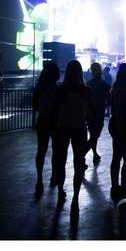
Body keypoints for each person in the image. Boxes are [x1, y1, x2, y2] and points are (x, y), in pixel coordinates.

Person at [50, 60, 96, 218]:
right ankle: (75, 197)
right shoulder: (86, 90)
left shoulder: (60, 90)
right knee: (78, 163)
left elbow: (54, 111)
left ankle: (61, 190)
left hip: (62, 127)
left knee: (60, 162)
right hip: (80, 128)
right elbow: (93, 111)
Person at [108, 62, 126, 201]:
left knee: (119, 157)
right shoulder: (121, 88)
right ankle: (121, 188)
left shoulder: (122, 87)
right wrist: (121, 130)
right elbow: (119, 111)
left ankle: (117, 188)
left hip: (121, 125)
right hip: (122, 126)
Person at [32, 61, 61, 196]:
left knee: (41, 151)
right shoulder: (56, 89)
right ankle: (54, 175)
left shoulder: (38, 88)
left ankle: (39, 180)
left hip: (42, 121)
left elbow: (35, 106)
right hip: (55, 122)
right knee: (56, 151)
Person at [85, 63, 111, 164]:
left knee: (93, 135)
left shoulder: (88, 85)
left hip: (89, 114)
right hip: (99, 113)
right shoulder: (105, 85)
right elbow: (109, 100)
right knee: (94, 136)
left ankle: (94, 154)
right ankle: (81, 156)